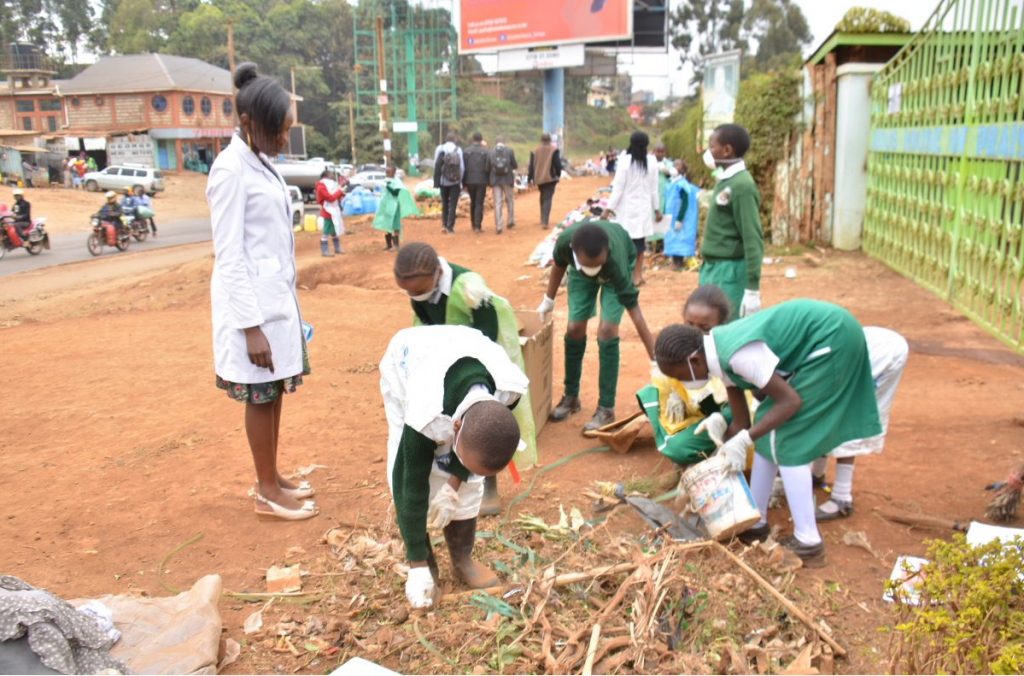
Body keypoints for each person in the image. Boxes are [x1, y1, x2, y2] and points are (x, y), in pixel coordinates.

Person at [652, 300, 881, 564]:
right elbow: (743, 423)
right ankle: (756, 522)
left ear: (693, 359)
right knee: (768, 430)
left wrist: (745, 439)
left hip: (834, 339)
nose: (683, 383)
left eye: (681, 376)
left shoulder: (738, 355)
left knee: (786, 438)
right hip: (826, 337)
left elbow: (790, 402)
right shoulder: (716, 354)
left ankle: (808, 543)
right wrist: (723, 431)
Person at [207, 62, 317, 521]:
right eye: (280, 129)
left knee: (273, 391)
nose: (285, 138)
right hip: (251, 310)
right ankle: (267, 492)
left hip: (273, 302)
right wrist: (251, 328)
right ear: (250, 123)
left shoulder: (261, 161)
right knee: (259, 393)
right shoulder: (230, 170)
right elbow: (229, 255)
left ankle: (270, 476)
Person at [380, 324, 527, 608]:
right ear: (455, 426)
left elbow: (475, 450)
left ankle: (462, 560)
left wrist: (453, 486)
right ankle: (424, 562)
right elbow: (409, 482)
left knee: (470, 482)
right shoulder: (425, 414)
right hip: (407, 362)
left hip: (462, 349)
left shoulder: (508, 390)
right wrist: (416, 565)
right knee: (410, 467)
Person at [393, 243, 538, 515]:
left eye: (421, 291)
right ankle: (451, 479)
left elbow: (488, 332)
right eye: (410, 293)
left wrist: (469, 376)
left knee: (485, 425)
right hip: (446, 362)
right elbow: (424, 323)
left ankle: (488, 485)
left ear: (437, 273)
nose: (416, 297)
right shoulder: (418, 288)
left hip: (483, 361)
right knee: (453, 423)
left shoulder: (470, 288)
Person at [538, 221, 657, 432]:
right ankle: (571, 397)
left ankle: (606, 409)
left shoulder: (615, 261)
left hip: (614, 272)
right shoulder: (566, 242)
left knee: (607, 330)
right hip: (578, 271)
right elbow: (558, 265)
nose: (595, 271)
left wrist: (656, 361)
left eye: (597, 266)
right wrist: (549, 299)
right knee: (574, 328)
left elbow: (635, 313)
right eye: (589, 266)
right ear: (574, 252)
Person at [811, 328, 908, 520]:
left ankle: (842, 498)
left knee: (848, 417)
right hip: (858, 349)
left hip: (882, 355)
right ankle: (816, 474)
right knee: (823, 414)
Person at [636, 285, 734, 466]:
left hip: (725, 416)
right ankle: (693, 444)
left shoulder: (729, 354)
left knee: (678, 448)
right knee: (651, 394)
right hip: (695, 415)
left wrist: (719, 415)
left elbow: (740, 404)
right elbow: (665, 377)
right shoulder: (682, 343)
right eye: (689, 324)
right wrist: (675, 391)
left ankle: (714, 450)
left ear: (721, 325)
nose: (695, 332)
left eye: (705, 327)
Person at [699, 124, 763, 320]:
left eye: (712, 147)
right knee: (707, 328)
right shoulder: (726, 180)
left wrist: (752, 289)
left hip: (729, 273)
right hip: (712, 269)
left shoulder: (742, 185)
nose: (708, 152)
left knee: (725, 329)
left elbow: (752, 238)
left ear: (727, 150)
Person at [604, 131, 661, 288]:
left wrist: (608, 209)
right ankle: (638, 276)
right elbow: (654, 189)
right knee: (640, 245)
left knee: (624, 244)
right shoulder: (652, 161)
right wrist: (657, 210)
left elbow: (618, 189)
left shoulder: (624, 161)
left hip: (627, 210)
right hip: (643, 208)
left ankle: (625, 275)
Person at [664, 159, 701, 270]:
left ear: (683, 170)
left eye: (678, 165)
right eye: (674, 164)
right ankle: (675, 261)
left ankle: (678, 262)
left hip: (679, 218)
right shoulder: (672, 182)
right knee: (673, 238)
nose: (675, 166)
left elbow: (685, 203)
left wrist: (679, 219)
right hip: (671, 217)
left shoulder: (682, 185)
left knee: (679, 239)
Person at [373, 165, 419, 252]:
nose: (387, 174)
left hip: (394, 206)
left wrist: (387, 185)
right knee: (387, 224)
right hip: (386, 205)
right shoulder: (386, 181)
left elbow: (395, 192)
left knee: (395, 225)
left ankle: (396, 245)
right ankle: (388, 244)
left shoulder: (397, 182)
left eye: (388, 172)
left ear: (393, 172)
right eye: (386, 172)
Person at [528, 133, 561, 229]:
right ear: (550, 140)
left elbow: (531, 166)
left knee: (543, 196)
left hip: (539, 178)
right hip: (550, 178)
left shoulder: (534, 151)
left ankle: (543, 218)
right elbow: (557, 164)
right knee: (547, 198)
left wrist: (530, 178)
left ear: (541, 140)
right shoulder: (554, 150)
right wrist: (558, 174)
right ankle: (544, 222)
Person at [433, 132, 464, 234]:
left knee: (444, 202)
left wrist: (437, 179)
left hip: (443, 181)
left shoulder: (440, 148)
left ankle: (444, 224)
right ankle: (450, 227)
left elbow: (435, 165)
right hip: (455, 182)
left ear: (446, 139)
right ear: (455, 139)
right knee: (453, 204)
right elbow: (462, 167)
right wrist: (460, 180)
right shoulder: (458, 149)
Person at [489, 135, 517, 234]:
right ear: (503, 142)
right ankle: (510, 221)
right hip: (507, 180)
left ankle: (499, 226)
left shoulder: (491, 152)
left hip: (495, 180)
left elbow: (487, 167)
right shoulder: (509, 151)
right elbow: (514, 165)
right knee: (510, 200)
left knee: (498, 202)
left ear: (495, 142)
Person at [462, 132, 490, 234]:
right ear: (481, 139)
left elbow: (463, 168)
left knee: (473, 201)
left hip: (469, 180)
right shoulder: (486, 152)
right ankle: (477, 225)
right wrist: (488, 180)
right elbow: (488, 168)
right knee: (479, 202)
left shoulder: (466, 151)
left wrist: (464, 182)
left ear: (473, 139)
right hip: (481, 180)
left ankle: (473, 223)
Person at [315, 168, 345, 257]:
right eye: (330, 175)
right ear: (326, 176)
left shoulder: (326, 185)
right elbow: (330, 198)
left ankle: (337, 248)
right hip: (328, 211)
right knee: (326, 231)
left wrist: (341, 190)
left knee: (334, 230)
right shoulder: (321, 187)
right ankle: (324, 251)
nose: (332, 177)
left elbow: (334, 195)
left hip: (333, 211)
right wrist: (340, 191)